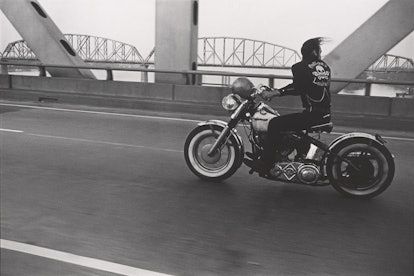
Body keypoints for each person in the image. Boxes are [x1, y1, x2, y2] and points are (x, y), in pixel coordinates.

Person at [256, 37, 332, 175]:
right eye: (320, 50)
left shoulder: (300, 67)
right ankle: (298, 152)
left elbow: (298, 88)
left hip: (312, 115)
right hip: (324, 113)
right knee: (290, 128)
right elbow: (307, 86)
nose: (321, 53)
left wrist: (275, 93)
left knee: (274, 124)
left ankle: (266, 163)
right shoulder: (325, 67)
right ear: (315, 51)